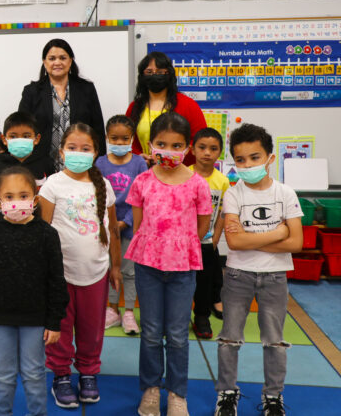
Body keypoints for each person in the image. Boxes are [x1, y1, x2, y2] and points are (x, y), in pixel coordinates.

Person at [124, 113, 213, 416]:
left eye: (176, 145)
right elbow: (138, 225)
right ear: (150, 145)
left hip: (182, 269)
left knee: (176, 334)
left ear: (187, 147)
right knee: (150, 331)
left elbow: (202, 226)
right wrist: (158, 246)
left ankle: (177, 393)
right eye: (161, 144)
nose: (168, 151)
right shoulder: (142, 181)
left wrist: (179, 245)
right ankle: (150, 389)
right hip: (148, 266)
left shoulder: (198, 184)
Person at [214, 123, 303, 416]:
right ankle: (227, 393)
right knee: (230, 337)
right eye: (240, 160)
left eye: (255, 157)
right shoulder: (233, 194)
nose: (248, 165)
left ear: (270, 158)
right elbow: (235, 243)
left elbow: (298, 242)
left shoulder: (285, 193)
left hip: (275, 277)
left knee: (274, 340)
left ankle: (273, 396)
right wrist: (277, 234)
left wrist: (250, 240)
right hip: (238, 275)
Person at [0, 165, 68, 416]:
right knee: (2, 374)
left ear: (35, 198)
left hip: (35, 318)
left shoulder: (47, 234)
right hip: (0, 317)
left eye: (23, 196)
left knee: (34, 372)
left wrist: (54, 321)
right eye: (9, 197)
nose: (17, 202)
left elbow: (56, 279)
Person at [39, 123, 122, 409]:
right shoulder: (53, 184)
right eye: (72, 148)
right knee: (60, 327)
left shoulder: (103, 185)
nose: (78, 153)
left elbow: (113, 229)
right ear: (61, 151)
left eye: (85, 149)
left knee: (91, 327)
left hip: (96, 272)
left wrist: (115, 267)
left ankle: (88, 372)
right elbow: (42, 230)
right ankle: (61, 375)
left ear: (96, 153)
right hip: (60, 274)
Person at [96, 115, 147, 335]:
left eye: (124, 138)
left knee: (130, 272)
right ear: (107, 137)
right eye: (114, 138)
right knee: (109, 268)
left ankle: (128, 312)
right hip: (107, 225)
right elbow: (97, 194)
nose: (119, 143)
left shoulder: (139, 163)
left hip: (129, 225)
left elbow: (142, 196)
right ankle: (112, 309)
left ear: (132, 138)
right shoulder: (100, 162)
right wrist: (108, 222)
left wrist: (125, 222)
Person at [19, 38, 106, 167]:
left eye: (63, 58)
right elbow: (22, 129)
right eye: (52, 58)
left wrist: (100, 162)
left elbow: (97, 128)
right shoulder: (31, 91)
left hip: (80, 163)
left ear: (70, 61)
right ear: (44, 62)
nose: (57, 62)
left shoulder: (86, 89)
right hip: (40, 165)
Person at [126, 51, 207, 166]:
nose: (154, 75)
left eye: (160, 72)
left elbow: (200, 140)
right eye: (149, 72)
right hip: (144, 170)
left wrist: (174, 158)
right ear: (142, 76)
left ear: (169, 74)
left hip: (180, 171)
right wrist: (138, 157)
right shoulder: (135, 107)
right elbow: (127, 139)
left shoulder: (188, 105)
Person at [189, 127, 230, 340]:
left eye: (213, 149)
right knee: (184, 280)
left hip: (206, 241)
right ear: (192, 149)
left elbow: (223, 212)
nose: (207, 152)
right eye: (202, 147)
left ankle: (202, 316)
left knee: (204, 280)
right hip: (185, 240)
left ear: (220, 153)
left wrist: (215, 238)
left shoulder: (222, 181)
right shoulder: (185, 174)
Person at [0, 111, 55, 221]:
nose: (20, 140)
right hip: (5, 228)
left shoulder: (46, 164)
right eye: (13, 136)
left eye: (26, 136)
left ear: (36, 139)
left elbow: (51, 198)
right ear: (4, 139)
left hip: (38, 227)